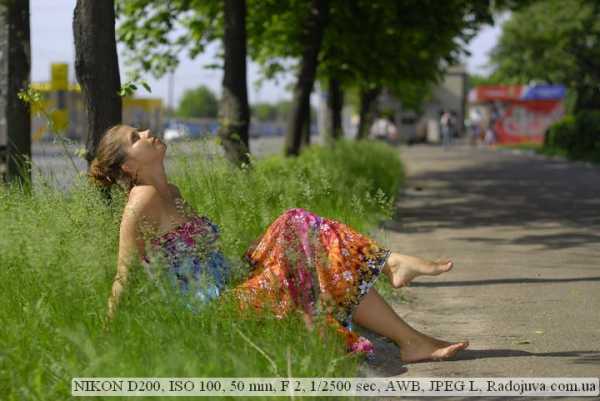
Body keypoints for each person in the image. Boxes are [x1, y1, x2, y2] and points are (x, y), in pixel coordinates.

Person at [89, 124, 469, 363]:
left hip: (233, 282)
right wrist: (106, 338)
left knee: (296, 223)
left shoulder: (172, 191)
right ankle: (398, 293)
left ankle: (409, 332)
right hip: (218, 306)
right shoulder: (141, 201)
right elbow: (125, 274)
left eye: (139, 130)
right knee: (305, 247)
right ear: (128, 166)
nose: (146, 133)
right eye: (134, 138)